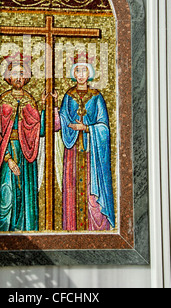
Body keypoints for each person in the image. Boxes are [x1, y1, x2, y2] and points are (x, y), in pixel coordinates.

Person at [56, 52, 115, 231]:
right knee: (72, 188)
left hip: (92, 152)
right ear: (74, 74)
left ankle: (96, 229)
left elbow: (104, 127)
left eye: (84, 70)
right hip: (72, 150)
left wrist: (88, 128)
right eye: (78, 70)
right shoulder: (69, 95)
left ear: (89, 73)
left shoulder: (96, 96)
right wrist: (52, 109)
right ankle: (71, 228)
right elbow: (62, 120)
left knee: (92, 192)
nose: (81, 74)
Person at [0, 53, 41, 232]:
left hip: (26, 155)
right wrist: (8, 158)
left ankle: (24, 231)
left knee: (24, 198)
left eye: (22, 73)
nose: (19, 77)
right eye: (15, 73)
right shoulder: (2, 101)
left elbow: (39, 127)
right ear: (8, 77)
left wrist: (51, 111)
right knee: (5, 198)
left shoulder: (30, 101)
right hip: (5, 155)